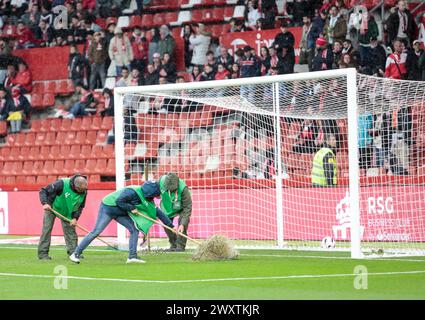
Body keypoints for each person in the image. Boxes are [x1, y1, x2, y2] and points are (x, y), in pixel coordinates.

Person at [69, 181, 174, 264]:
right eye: (155, 196)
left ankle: (132, 257)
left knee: (134, 229)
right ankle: (76, 253)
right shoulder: (132, 192)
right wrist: (131, 208)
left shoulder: (147, 198)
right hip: (108, 208)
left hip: (120, 211)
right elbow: (120, 201)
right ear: (150, 194)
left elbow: (158, 212)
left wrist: (171, 226)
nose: (154, 198)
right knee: (96, 232)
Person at [37, 174, 88, 260]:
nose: (83, 191)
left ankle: (74, 253)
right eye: (81, 190)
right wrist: (45, 203)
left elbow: (80, 206)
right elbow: (43, 191)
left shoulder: (84, 191)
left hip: (67, 211)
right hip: (52, 207)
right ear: (75, 186)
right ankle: (43, 254)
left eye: (84, 189)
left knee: (71, 232)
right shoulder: (62, 183)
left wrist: (75, 218)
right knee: (46, 230)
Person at [158, 173, 192, 252]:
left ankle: (180, 246)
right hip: (167, 207)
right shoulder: (160, 181)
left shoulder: (184, 189)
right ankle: (173, 244)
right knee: (166, 224)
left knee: (182, 224)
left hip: (181, 208)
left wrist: (182, 224)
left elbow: (187, 208)